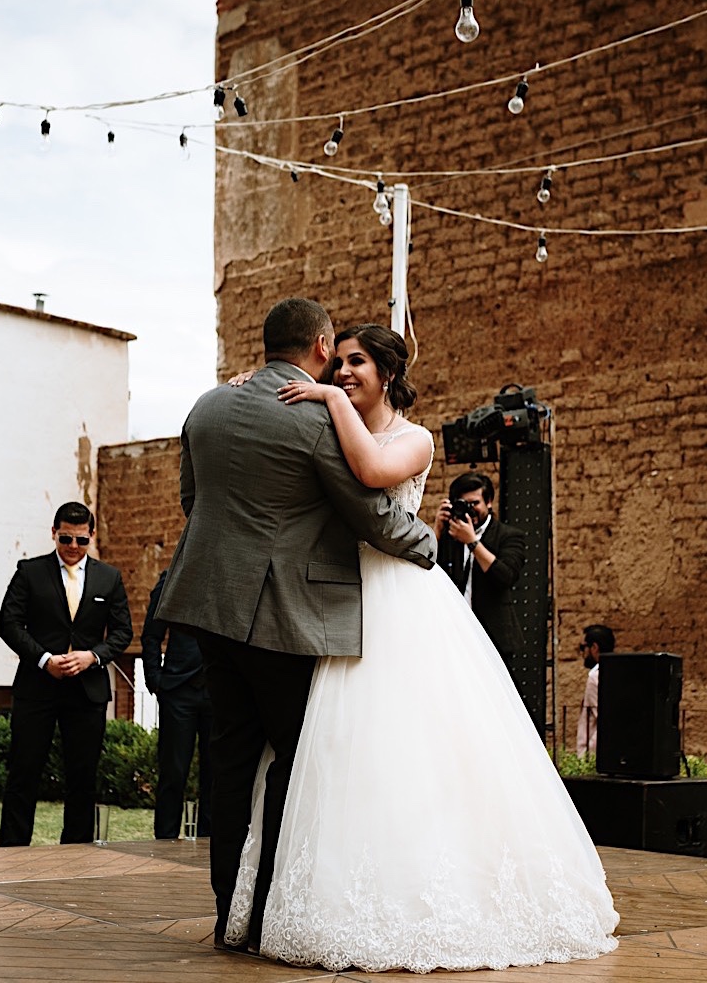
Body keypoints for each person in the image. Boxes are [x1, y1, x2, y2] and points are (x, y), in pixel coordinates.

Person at [225, 323, 618, 972]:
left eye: (358, 362)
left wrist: (323, 399)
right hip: (337, 603)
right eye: (339, 361)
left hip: (402, 599)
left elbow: (372, 473)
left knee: (417, 743)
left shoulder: (411, 438)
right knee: (338, 749)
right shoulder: (332, 419)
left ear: (386, 372)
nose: (345, 371)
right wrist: (254, 387)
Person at [155, 298, 437, 952]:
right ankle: (266, 916)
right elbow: (369, 513)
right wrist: (430, 551)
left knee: (228, 762)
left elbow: (194, 501)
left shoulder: (206, 407)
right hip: (285, 617)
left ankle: (229, 911)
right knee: (295, 758)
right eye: (334, 352)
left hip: (210, 611)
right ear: (317, 344)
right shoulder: (310, 419)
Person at [0, 501, 131, 846]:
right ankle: (12, 851)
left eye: (81, 540)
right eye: (66, 539)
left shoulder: (110, 578)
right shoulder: (29, 571)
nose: (73, 547)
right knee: (24, 773)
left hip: (87, 691)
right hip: (36, 687)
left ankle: (76, 852)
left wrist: (92, 657)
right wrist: (43, 659)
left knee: (82, 776)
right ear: (54, 533)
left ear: (92, 536)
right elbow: (9, 624)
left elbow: (122, 633)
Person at [140, 568, 211, 839]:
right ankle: (165, 840)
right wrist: (155, 680)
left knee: (216, 773)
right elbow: (151, 636)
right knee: (173, 772)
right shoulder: (172, 578)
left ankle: (209, 842)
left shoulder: (229, 573)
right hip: (178, 691)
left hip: (217, 690)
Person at [433, 471, 527, 665]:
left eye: (475, 503)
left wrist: (473, 542)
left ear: (489, 502)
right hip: (455, 634)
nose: (470, 510)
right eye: (463, 504)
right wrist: (437, 531)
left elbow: (506, 576)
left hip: (494, 636)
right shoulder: (450, 535)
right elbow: (427, 569)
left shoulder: (509, 536)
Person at [577, 624, 616, 756]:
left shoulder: (595, 677)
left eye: (584, 647)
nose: (583, 653)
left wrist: (587, 755)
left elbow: (604, 721)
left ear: (594, 647)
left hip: (594, 754)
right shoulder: (615, 672)